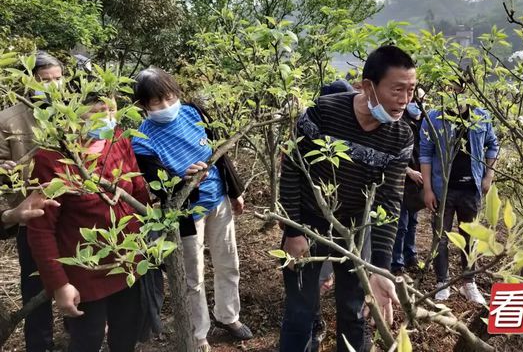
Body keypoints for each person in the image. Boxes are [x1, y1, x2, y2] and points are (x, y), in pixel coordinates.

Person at [279, 45, 416, 352]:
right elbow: (291, 170)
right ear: (368, 86)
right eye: (397, 89)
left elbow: (389, 199)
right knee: (301, 310)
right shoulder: (323, 113)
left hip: (355, 227)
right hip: (309, 220)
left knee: (356, 310)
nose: (404, 100)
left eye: (411, 90)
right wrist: (293, 231)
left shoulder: (401, 137)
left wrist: (381, 269)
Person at [130, 67, 252, 351]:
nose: (166, 107)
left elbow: (218, 152)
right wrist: (182, 177)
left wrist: (235, 191)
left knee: (227, 263)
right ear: (144, 106)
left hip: (217, 200)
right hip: (185, 214)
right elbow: (157, 185)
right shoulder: (142, 139)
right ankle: (199, 334)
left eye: (169, 98)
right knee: (191, 277)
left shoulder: (193, 113)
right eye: (156, 103)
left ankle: (228, 316)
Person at [28, 93, 151, 351]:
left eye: (111, 111)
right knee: (88, 338)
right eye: (96, 112)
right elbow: (41, 229)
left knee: (127, 332)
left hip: (126, 260)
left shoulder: (117, 138)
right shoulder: (52, 158)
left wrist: (145, 242)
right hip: (86, 270)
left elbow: (137, 190)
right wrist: (60, 285)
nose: (106, 119)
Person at [0, 51, 63, 352]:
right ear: (29, 82)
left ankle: (78, 335)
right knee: (35, 284)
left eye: (58, 79)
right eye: (44, 80)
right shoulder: (8, 120)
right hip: (33, 212)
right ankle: (40, 344)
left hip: (70, 211)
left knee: (78, 274)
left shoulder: (73, 113)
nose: (52, 86)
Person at [420, 78, 499, 305]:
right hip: (442, 189)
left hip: (471, 188)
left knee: (469, 237)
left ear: (465, 91)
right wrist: (427, 188)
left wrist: (489, 175)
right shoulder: (433, 119)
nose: (451, 93)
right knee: (440, 237)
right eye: (446, 89)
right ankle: (441, 282)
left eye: (455, 89)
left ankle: (469, 282)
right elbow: (425, 153)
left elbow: (493, 144)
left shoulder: (481, 116)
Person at [390, 94, 425, 275]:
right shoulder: (398, 122)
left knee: (413, 220)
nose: (416, 105)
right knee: (401, 223)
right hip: (402, 180)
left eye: (420, 101)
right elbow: (391, 152)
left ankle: (410, 255)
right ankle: (396, 263)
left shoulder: (425, 123)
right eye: (414, 101)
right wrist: (409, 171)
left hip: (419, 181)